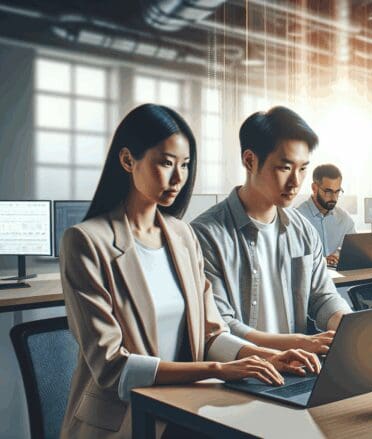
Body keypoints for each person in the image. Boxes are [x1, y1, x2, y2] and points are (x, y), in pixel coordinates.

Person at [59, 104, 318, 439]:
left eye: (185, 164)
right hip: (122, 422)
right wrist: (220, 370)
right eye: (166, 163)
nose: (179, 178)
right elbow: (112, 367)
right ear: (127, 161)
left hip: (187, 411)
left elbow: (211, 335)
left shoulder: (182, 236)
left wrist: (271, 357)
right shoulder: (85, 242)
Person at [191, 106, 352, 356]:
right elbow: (222, 326)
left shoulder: (303, 231)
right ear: (249, 160)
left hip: (297, 367)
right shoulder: (206, 235)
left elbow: (322, 297)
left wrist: (346, 323)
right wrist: (299, 343)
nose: (295, 182)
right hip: (241, 373)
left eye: (302, 169)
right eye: (285, 168)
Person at [296, 164, 356, 267]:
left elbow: (355, 251)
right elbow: (291, 259)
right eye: (328, 192)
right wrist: (322, 261)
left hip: (342, 280)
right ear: (314, 188)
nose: (334, 198)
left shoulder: (345, 219)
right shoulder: (297, 218)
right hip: (310, 280)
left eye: (337, 192)